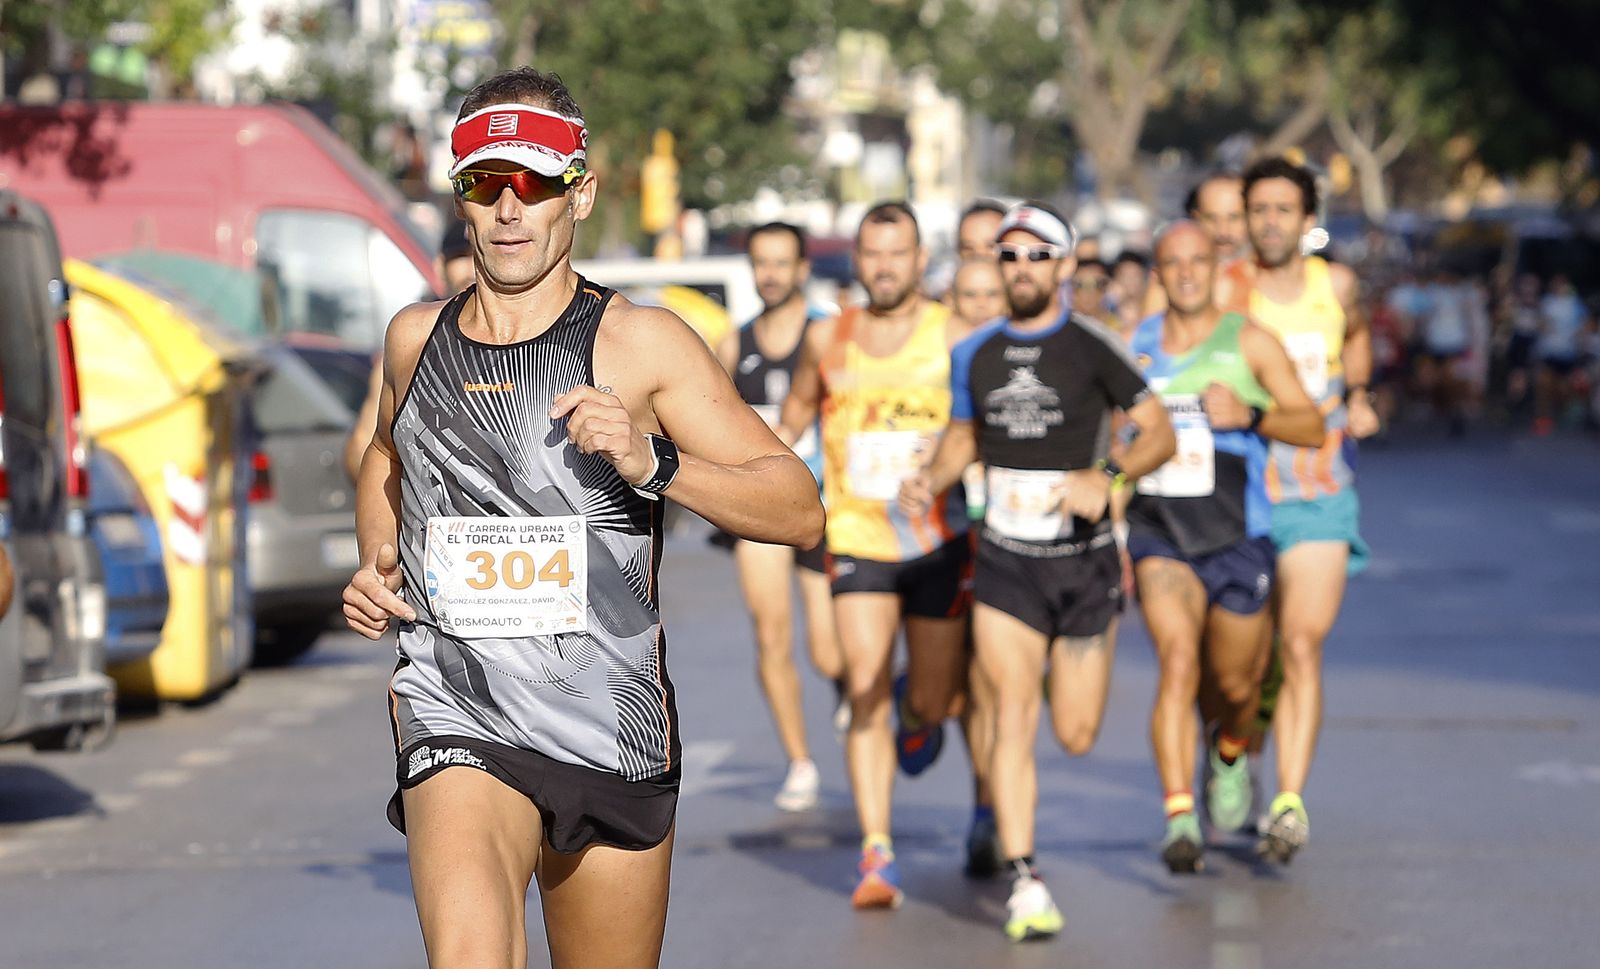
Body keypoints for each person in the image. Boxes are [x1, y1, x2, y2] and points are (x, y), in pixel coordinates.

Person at [341, 67, 824, 969]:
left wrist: (655, 461)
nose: (510, 209)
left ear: (582, 194)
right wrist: (379, 556)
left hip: (611, 726)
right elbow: (382, 454)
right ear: (461, 199)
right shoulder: (416, 339)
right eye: (486, 185)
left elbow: (798, 506)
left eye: (534, 184)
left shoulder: (641, 344)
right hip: (458, 710)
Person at [902, 202, 1176, 940]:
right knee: (1011, 714)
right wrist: (932, 475)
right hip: (1007, 563)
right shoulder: (977, 354)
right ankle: (1025, 876)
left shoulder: (1095, 346)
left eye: (1036, 255)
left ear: (1063, 263)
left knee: (1078, 730)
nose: (1021, 268)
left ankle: (1063, 678)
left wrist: (1110, 476)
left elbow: (1160, 432)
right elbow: (963, 437)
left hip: (1083, 564)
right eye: (1009, 255)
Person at [779, 201, 977, 910]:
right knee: (862, 679)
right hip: (857, 536)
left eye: (898, 253)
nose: (885, 266)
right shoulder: (826, 338)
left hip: (937, 541)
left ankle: (916, 708)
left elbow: (976, 424)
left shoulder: (956, 334)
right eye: (872, 253)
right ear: (856, 261)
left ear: (921, 260)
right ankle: (877, 851)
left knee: (930, 697)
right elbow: (795, 414)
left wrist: (948, 467)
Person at [1125, 221, 1323, 873]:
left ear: (1216, 267)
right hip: (1162, 531)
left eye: (1197, 261)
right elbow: (1109, 430)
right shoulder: (1137, 348)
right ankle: (1179, 813)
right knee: (1178, 661)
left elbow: (1313, 424)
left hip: (1237, 533)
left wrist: (1252, 414)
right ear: (1158, 272)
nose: (1185, 272)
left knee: (1237, 684)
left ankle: (1230, 748)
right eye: (1172, 262)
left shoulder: (1250, 342)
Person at [1217, 156, 1378, 864]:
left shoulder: (1335, 286)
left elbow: (1358, 338)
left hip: (1317, 490)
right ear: (1245, 218)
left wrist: (1363, 394)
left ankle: (1288, 800)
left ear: (1308, 220)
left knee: (1301, 643)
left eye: (1285, 209)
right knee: (1237, 670)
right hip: (1238, 497)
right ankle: (1231, 746)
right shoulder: (1228, 292)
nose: (1272, 222)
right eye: (1260, 209)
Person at [714, 221, 843, 812]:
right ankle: (799, 761)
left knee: (826, 649)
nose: (769, 274)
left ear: (802, 269)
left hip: (824, 504)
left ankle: (849, 685)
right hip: (760, 510)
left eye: (780, 263)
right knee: (771, 633)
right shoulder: (733, 346)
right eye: (760, 263)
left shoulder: (829, 336)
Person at [343, 219, 476, 482]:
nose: (471, 268)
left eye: (478, 253)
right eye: (460, 255)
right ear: (440, 266)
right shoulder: (411, 343)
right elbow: (362, 454)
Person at [1533, 274, 1590, 435]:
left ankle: (1560, 411)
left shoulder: (1575, 304)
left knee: (1563, 389)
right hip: (1548, 351)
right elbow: (1540, 323)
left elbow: (1583, 325)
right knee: (1544, 386)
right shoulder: (1547, 303)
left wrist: (1580, 342)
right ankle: (1543, 419)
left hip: (1567, 352)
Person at [1110, 250, 1152, 335]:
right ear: (1116, 278)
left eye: (1135, 275)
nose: (1130, 282)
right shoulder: (1106, 318)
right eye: (1125, 276)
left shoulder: (1154, 317)